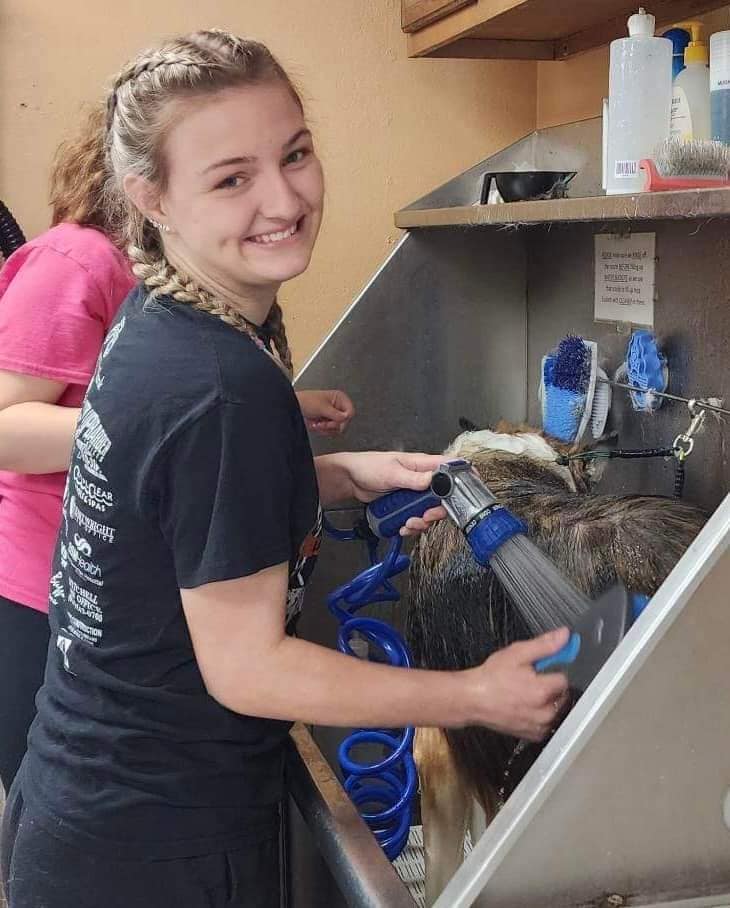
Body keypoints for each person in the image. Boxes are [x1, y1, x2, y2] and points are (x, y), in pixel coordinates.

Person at [0, 30, 568, 908]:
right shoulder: (221, 385)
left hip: (84, 801)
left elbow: (175, 500)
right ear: (151, 197)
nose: (284, 198)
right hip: (157, 850)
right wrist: (473, 695)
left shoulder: (161, 320)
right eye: (232, 178)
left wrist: (338, 476)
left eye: (295, 154)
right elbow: (249, 670)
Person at [0, 124, 353, 797]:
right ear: (148, 190)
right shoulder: (77, 261)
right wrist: (170, 427)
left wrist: (282, 405)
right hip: (46, 598)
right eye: (226, 179)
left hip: (146, 598)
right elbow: (7, 429)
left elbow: (163, 400)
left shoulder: (173, 282)